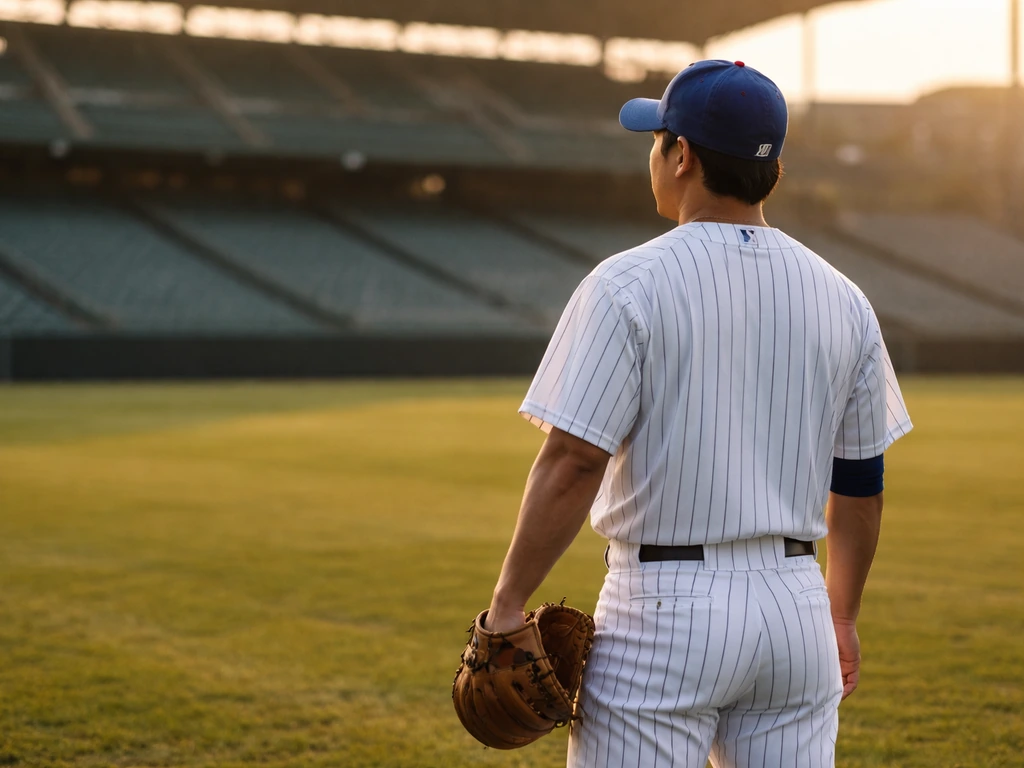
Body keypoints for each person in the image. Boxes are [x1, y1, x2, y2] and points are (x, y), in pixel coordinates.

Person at [483, 60, 913, 767]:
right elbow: (862, 488)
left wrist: (507, 606)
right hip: (796, 612)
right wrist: (840, 616)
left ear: (681, 156)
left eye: (657, 140)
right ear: (770, 170)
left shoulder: (626, 284)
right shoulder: (845, 299)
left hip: (662, 610)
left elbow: (573, 461)